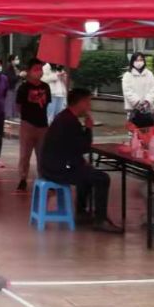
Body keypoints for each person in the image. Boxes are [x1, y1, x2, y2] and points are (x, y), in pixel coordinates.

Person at [42, 88, 121, 233]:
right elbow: (84, 147)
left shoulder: (64, 117)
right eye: (88, 102)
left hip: (52, 165)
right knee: (102, 178)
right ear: (80, 103)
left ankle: (82, 212)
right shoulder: (70, 122)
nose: (89, 106)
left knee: (87, 172)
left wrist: (81, 163)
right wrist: (88, 129)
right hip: (58, 169)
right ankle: (100, 219)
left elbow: (71, 148)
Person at [15, 59, 51, 191]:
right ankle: (22, 178)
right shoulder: (23, 88)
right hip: (27, 125)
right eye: (36, 69)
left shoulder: (46, 87)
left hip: (43, 125)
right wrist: (26, 117)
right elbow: (18, 106)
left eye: (40, 69)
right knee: (25, 154)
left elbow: (47, 104)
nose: (39, 72)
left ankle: (44, 177)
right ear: (29, 71)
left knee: (43, 154)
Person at [122, 51, 154, 125]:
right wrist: (137, 103)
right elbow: (127, 91)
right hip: (133, 110)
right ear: (132, 62)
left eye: (141, 60)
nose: (139, 62)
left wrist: (147, 101)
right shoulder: (127, 75)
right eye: (136, 60)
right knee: (134, 130)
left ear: (144, 61)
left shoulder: (149, 74)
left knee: (148, 129)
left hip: (148, 109)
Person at [3, 54, 20, 120]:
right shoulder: (9, 68)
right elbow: (11, 79)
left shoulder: (16, 68)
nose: (17, 61)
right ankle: (9, 116)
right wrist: (19, 76)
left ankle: (14, 115)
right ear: (12, 61)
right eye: (16, 59)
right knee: (9, 102)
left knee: (14, 102)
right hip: (10, 87)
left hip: (15, 88)